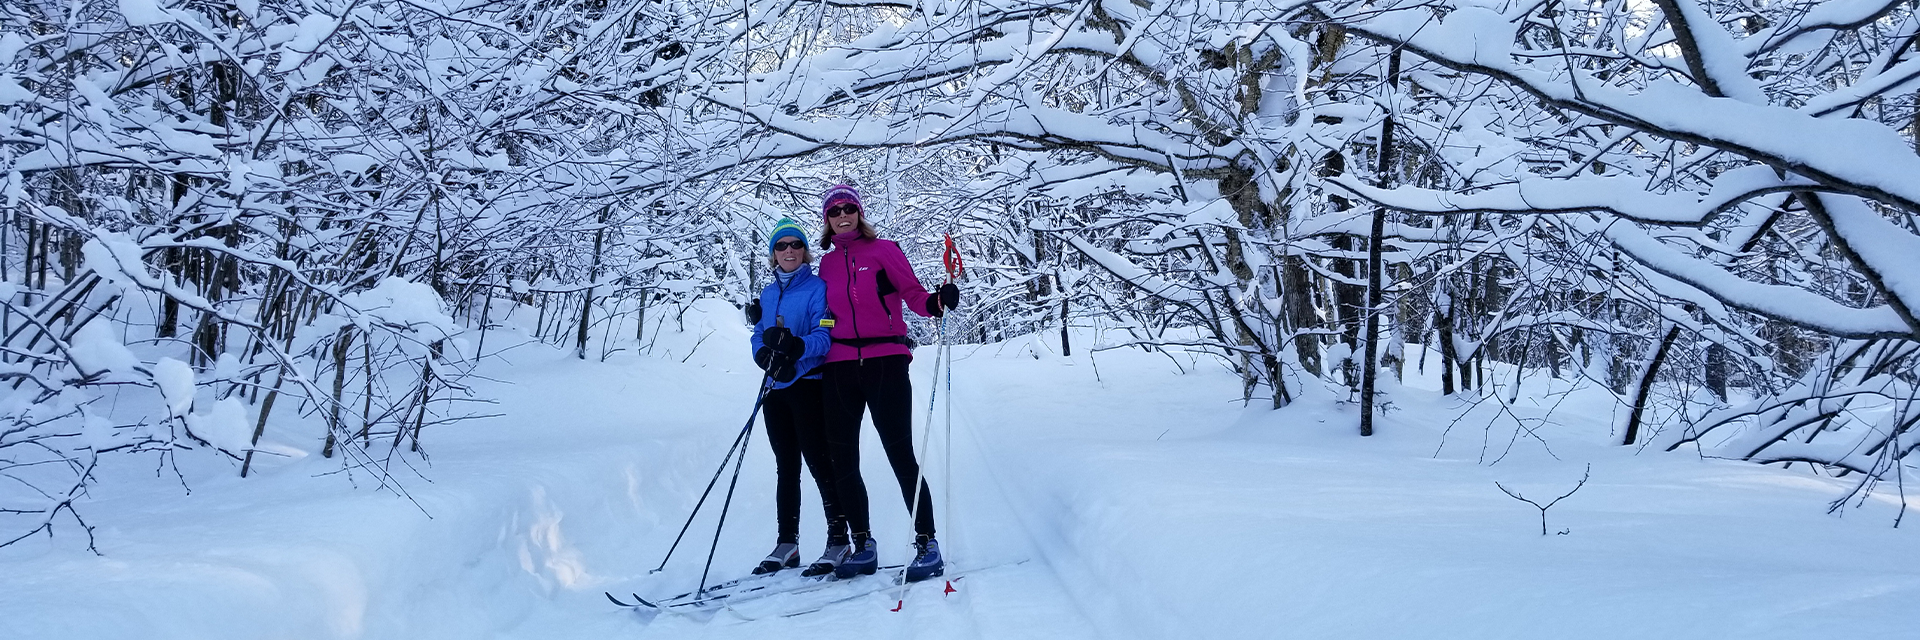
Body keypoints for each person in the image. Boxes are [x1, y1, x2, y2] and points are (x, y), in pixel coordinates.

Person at [813, 184, 960, 582]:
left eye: (849, 208)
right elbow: (820, 312)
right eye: (835, 211)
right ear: (827, 219)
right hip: (840, 365)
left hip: (885, 360)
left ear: (859, 213)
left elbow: (912, 293)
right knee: (842, 458)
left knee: (900, 454)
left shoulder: (884, 251)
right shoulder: (825, 265)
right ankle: (863, 544)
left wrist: (936, 301)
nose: (843, 215)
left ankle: (927, 542)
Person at [748, 217, 850, 578]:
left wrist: (796, 350)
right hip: (776, 388)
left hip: (808, 384)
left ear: (804, 251)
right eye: (781, 246)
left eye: (795, 245)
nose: (788, 251)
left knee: (819, 461)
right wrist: (762, 355)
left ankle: (839, 539)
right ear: (773, 254)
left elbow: (825, 337)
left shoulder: (817, 288)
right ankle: (787, 543)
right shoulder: (769, 292)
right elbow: (759, 334)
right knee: (785, 466)